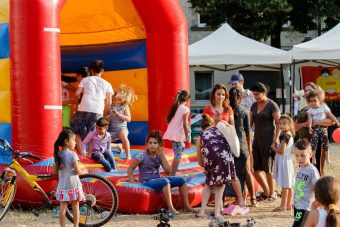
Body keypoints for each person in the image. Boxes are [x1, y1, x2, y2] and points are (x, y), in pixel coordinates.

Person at [127, 130, 194, 215]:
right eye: (150, 143)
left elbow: (168, 171)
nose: (152, 145)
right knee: (165, 182)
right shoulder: (142, 155)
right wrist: (132, 181)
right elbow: (130, 168)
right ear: (147, 144)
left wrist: (162, 155)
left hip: (157, 180)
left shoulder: (159, 155)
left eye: (155, 143)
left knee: (181, 180)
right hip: (146, 181)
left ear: (159, 145)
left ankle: (187, 206)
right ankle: (171, 208)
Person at [196, 114, 244, 219]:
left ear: (201, 127)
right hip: (224, 156)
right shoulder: (219, 129)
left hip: (211, 158)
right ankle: (217, 212)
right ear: (212, 124)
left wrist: (206, 167)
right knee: (220, 186)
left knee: (208, 184)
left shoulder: (201, 136)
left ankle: (202, 211)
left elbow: (199, 159)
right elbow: (231, 136)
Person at [71, 60, 114, 152]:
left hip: (83, 108)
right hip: (97, 110)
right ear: (102, 71)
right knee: (93, 133)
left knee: (75, 131)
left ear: (91, 71)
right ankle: (90, 155)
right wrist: (104, 114)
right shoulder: (107, 84)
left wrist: (75, 104)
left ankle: (82, 153)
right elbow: (108, 103)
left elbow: (77, 94)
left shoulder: (85, 80)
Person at [294, 83, 334, 176]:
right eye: (306, 90)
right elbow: (295, 127)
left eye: (310, 90)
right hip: (305, 143)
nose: (307, 92)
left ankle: (318, 189)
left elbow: (331, 121)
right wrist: (304, 124)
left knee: (317, 169)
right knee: (304, 170)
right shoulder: (302, 109)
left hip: (318, 141)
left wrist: (315, 123)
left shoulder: (321, 106)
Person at [249, 82, 280, 201]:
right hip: (256, 140)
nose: (255, 97)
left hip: (269, 139)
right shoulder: (253, 105)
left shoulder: (272, 105)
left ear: (264, 93)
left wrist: (276, 139)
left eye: (257, 94)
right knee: (255, 169)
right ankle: (266, 191)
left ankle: (272, 193)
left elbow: (278, 123)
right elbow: (249, 124)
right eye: (254, 94)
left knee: (268, 169)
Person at [229, 87, 256, 207]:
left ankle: (239, 198)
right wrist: (250, 147)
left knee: (235, 172)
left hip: (231, 144)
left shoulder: (227, 111)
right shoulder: (243, 111)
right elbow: (248, 131)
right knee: (247, 171)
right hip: (243, 143)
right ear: (241, 98)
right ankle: (253, 199)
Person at [54, 128, 86, 227]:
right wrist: (84, 171)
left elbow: (55, 170)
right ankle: (75, 226)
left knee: (63, 207)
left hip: (62, 185)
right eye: (73, 140)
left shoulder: (58, 154)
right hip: (73, 184)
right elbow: (77, 171)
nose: (75, 143)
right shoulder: (73, 155)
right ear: (67, 142)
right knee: (75, 205)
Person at [306, 90, 340, 167]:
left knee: (325, 141)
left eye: (315, 100)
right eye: (311, 101)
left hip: (324, 128)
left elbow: (331, 115)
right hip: (315, 128)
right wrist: (309, 127)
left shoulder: (323, 107)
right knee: (314, 142)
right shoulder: (310, 111)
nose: (313, 103)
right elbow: (310, 119)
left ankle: (327, 157)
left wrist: (337, 122)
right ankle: (313, 157)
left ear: (320, 100)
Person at [293, 139, 320, 227]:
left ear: (310, 154)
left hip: (305, 207)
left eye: (303, 155)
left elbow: (318, 187)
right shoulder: (300, 168)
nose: (299, 158)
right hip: (298, 205)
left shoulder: (312, 171)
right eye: (297, 155)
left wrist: (318, 202)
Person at [163, 90, 191, 175]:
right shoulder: (185, 109)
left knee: (181, 148)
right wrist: (188, 136)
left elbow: (170, 120)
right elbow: (185, 124)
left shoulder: (176, 107)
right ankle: (172, 174)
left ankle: (175, 167)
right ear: (188, 99)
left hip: (173, 134)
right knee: (177, 156)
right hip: (177, 135)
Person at [271, 114, 295, 212]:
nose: (281, 126)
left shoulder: (285, 136)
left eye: (284, 124)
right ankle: (289, 205)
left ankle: (283, 206)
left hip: (284, 161)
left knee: (285, 185)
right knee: (289, 185)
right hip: (287, 161)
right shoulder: (288, 134)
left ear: (290, 124)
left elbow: (281, 151)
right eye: (280, 123)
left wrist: (273, 148)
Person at [108, 85, 137, 160]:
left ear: (122, 99)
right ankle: (117, 146)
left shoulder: (124, 107)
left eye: (118, 99)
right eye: (114, 99)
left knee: (124, 137)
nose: (115, 101)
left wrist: (118, 114)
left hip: (122, 129)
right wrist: (107, 117)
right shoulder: (111, 106)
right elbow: (107, 116)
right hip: (112, 130)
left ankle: (128, 155)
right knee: (104, 142)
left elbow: (128, 119)